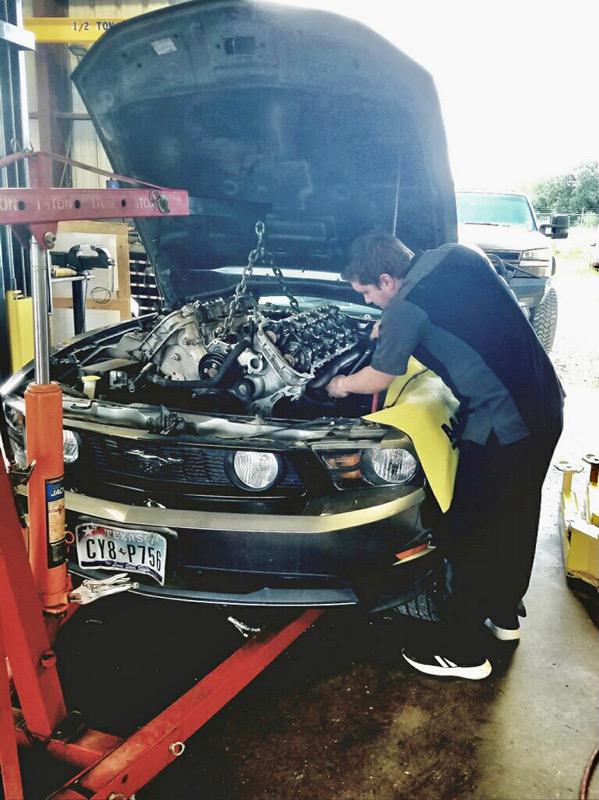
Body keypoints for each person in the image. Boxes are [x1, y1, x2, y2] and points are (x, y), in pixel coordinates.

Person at [326, 232, 563, 680]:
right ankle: (504, 617)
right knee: (515, 516)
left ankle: (464, 650)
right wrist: (392, 324)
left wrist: (336, 386)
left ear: (385, 279)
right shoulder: (457, 255)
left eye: (368, 294)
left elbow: (378, 377)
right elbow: (451, 315)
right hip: (545, 404)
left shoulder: (404, 309)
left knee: (470, 527)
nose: (371, 303)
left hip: (503, 425)